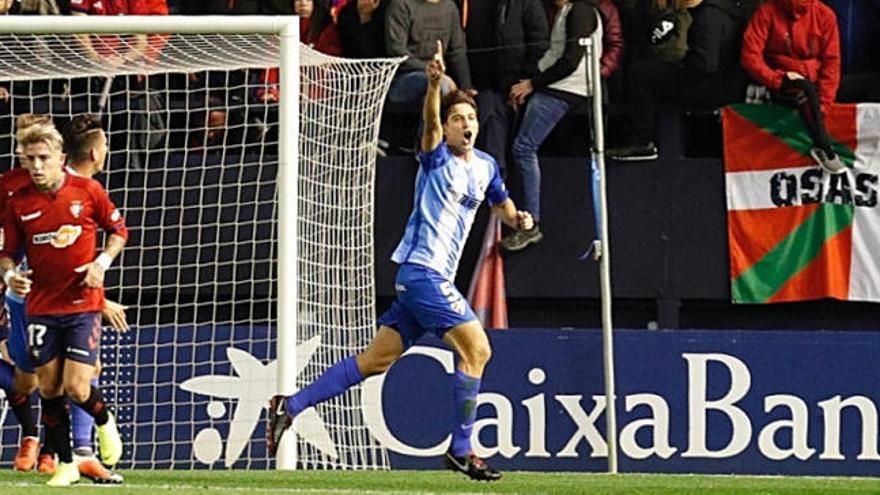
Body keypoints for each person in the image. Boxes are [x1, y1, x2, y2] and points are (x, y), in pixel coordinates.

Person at [267, 41, 534, 482]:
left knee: (375, 361)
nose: (465, 125)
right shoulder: (436, 159)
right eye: (457, 119)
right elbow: (428, 123)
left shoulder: (485, 166)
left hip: (427, 281)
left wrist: (518, 217)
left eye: (469, 118)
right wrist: (433, 86)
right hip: (422, 271)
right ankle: (461, 450)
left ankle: (289, 406)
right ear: (446, 128)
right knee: (478, 349)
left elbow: (502, 206)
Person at [0, 120, 127, 487]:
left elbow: (119, 231)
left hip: (82, 304)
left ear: (60, 157)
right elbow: (7, 253)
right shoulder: (19, 203)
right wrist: (10, 277)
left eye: (43, 158)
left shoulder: (87, 191)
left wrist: (101, 264)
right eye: (29, 159)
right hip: (40, 305)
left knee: (77, 387)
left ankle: (103, 422)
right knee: (49, 388)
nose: (36, 166)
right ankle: (67, 462)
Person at [499, 0, 599, 252]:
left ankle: (531, 223)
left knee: (523, 147)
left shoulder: (582, 12)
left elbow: (570, 60)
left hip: (567, 89)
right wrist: (528, 80)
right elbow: (553, 56)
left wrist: (533, 85)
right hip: (553, 86)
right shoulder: (564, 12)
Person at [607, 0, 750, 161]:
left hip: (715, 87)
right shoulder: (715, 11)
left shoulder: (710, 14)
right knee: (649, 71)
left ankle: (642, 141)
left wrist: (678, 65)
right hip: (720, 83)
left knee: (641, 73)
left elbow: (704, 64)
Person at [740, 0, 845, 174]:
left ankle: (821, 141)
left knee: (811, 91)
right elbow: (750, 56)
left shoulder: (825, 15)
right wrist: (777, 79)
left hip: (814, 83)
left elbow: (831, 64)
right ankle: (823, 146)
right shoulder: (767, 12)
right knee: (804, 89)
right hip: (781, 81)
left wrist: (822, 106)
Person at [463, 0, 549, 173]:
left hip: (518, 86)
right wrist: (466, 84)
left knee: (492, 113)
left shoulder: (528, 4)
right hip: (478, 87)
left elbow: (539, 45)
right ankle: (495, 181)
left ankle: (493, 179)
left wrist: (526, 82)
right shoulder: (470, 5)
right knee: (488, 109)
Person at [385, 0, 474, 103]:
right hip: (404, 78)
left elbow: (457, 52)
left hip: (439, 77)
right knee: (439, 86)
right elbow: (397, 52)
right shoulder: (401, 5)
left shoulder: (450, 7)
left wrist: (466, 87)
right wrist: (434, 73)